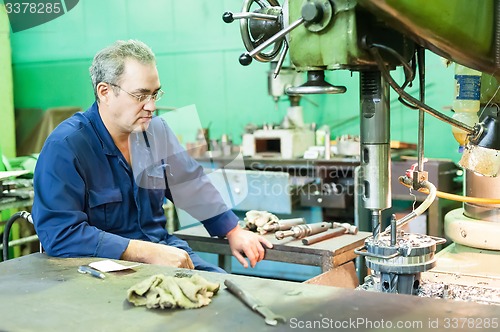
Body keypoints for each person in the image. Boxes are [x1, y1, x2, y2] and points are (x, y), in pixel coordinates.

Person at [32, 39, 272, 272]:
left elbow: (191, 185)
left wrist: (232, 230)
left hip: (164, 252)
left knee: (226, 292)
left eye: (155, 94)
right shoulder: (66, 147)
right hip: (101, 270)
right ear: (105, 92)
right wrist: (145, 251)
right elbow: (59, 233)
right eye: (140, 95)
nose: (151, 106)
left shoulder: (156, 132)